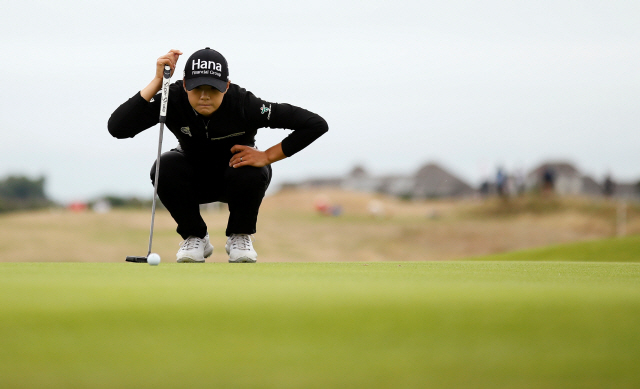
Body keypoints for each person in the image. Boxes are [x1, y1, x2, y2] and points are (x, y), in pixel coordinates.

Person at [108, 48, 328, 263]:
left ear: (226, 87)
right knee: (164, 167)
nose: (205, 96)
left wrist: (268, 156)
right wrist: (158, 81)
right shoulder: (171, 98)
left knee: (252, 168)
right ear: (185, 85)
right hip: (192, 178)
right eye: (196, 88)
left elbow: (315, 124)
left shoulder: (245, 104)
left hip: (236, 179)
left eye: (213, 89)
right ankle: (196, 237)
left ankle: (240, 236)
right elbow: (118, 128)